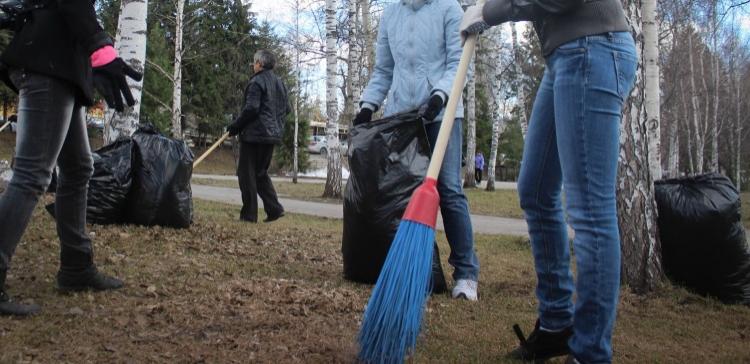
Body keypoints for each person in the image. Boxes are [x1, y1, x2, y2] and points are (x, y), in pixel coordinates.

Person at [460, 0, 637, 363]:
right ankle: (557, 322)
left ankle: (590, 352)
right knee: (536, 191)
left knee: (590, 212)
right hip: (566, 56)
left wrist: (491, 12)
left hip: (592, 49)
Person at [0, 0, 141, 316]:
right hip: (49, 63)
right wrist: (101, 48)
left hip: (60, 66)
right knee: (32, 174)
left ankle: (76, 266)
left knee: (78, 168)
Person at [354, 0, 480, 301]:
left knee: (448, 190)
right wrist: (367, 105)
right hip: (404, 116)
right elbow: (384, 69)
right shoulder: (391, 13)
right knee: (404, 191)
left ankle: (466, 274)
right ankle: (414, 269)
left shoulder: (449, 9)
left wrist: (438, 96)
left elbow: (460, 64)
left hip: (442, 114)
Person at [227, 50, 290, 223]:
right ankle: (274, 209)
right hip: (272, 136)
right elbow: (287, 109)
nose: (253, 65)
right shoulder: (280, 83)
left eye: (254, 62)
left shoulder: (256, 82)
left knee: (246, 175)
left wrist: (235, 126)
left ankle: (249, 215)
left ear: (260, 64)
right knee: (260, 173)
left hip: (254, 136)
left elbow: (251, 109)